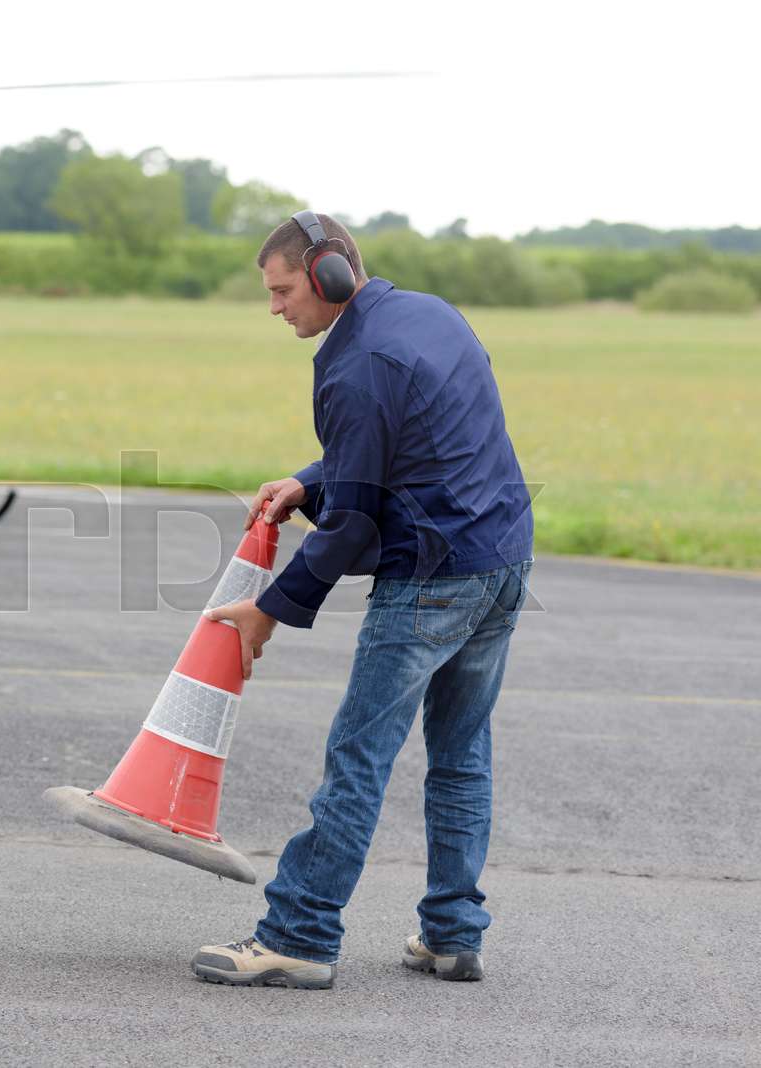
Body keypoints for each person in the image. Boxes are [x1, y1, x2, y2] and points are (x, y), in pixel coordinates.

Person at [190, 213, 533, 990]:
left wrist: (268, 610)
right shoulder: (431, 313)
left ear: (329, 277)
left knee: (357, 760)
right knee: (461, 756)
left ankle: (300, 933)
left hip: (432, 581)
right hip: (503, 563)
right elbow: (404, 442)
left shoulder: (355, 365)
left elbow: (350, 524)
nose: (275, 308)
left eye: (282, 291)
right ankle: (451, 935)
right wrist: (312, 479)